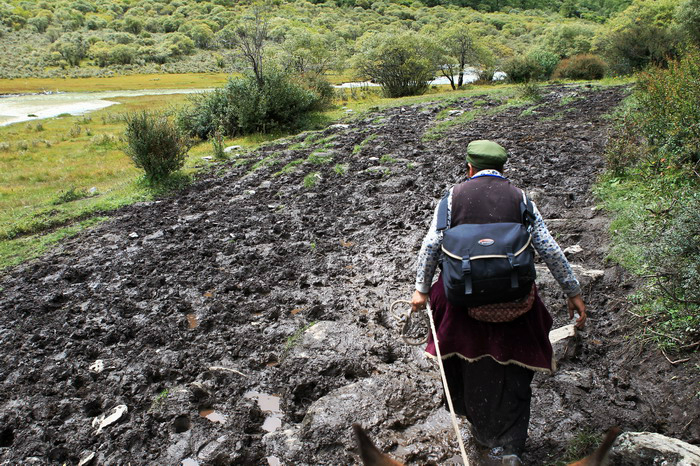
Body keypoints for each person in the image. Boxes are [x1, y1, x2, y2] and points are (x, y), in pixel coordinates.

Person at [411, 140, 586, 466]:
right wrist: (572, 291)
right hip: (515, 303)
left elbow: (431, 246)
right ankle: (509, 449)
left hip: (464, 307)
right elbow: (548, 247)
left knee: (466, 365)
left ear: (469, 168)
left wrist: (421, 289)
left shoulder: (451, 199)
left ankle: (483, 437)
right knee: (514, 374)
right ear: (503, 169)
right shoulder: (520, 198)